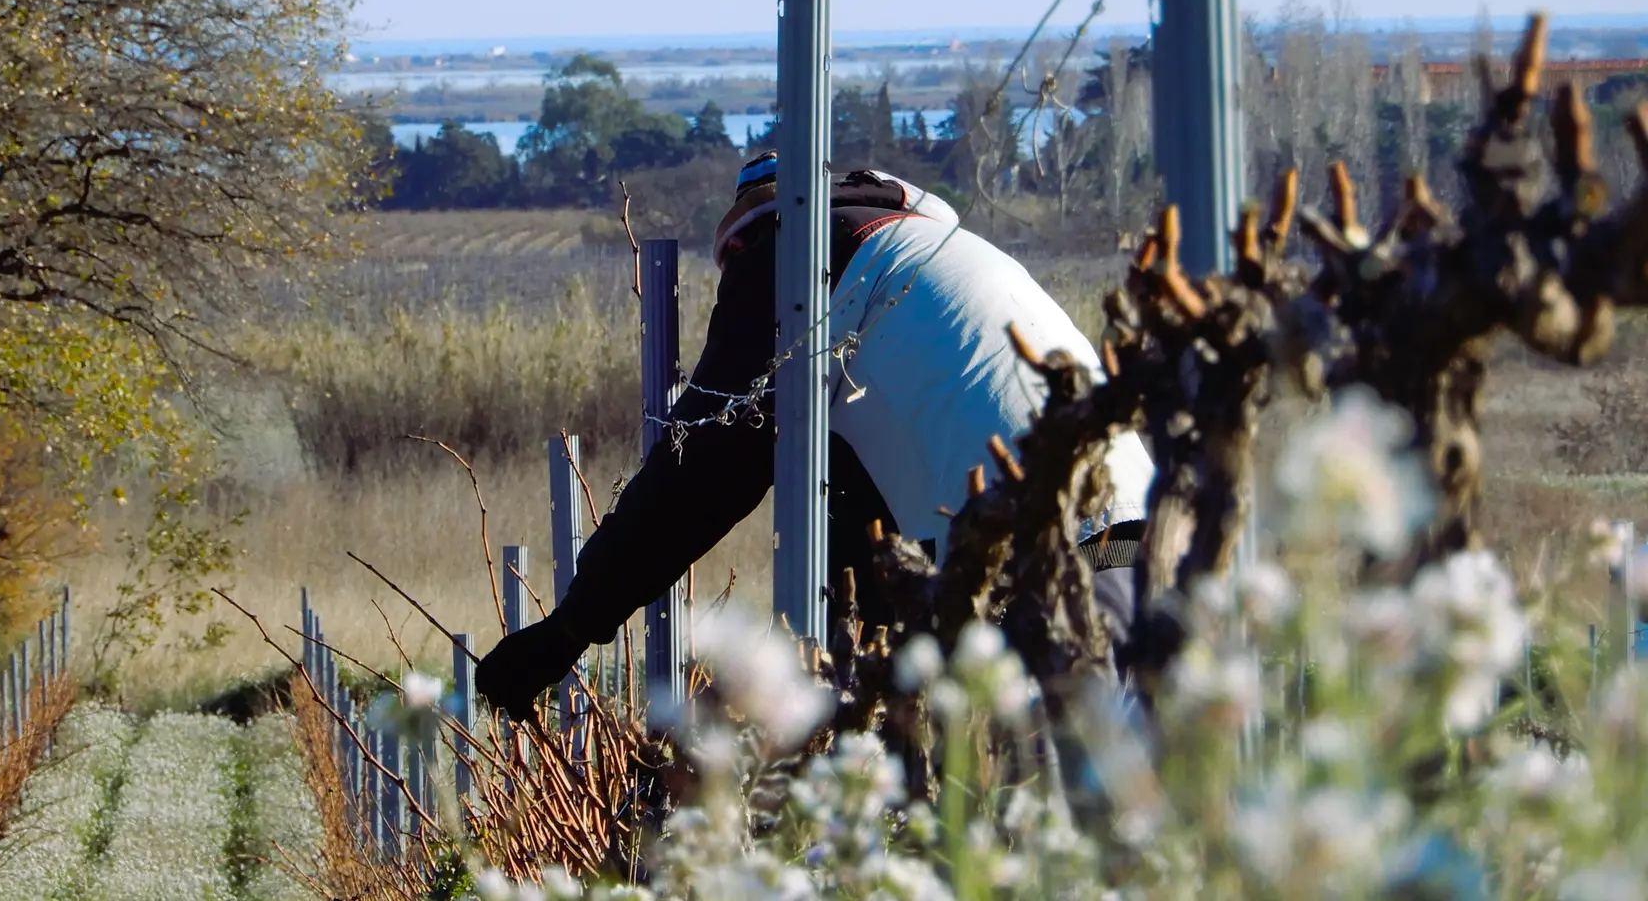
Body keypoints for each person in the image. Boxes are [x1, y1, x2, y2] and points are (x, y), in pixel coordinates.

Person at [474, 151, 1155, 720]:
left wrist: (569, 629)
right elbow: (861, 528)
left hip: (1033, 561)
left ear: (743, 238)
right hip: (1143, 537)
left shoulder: (794, 255)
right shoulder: (926, 254)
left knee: (1012, 802)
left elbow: (702, 471)